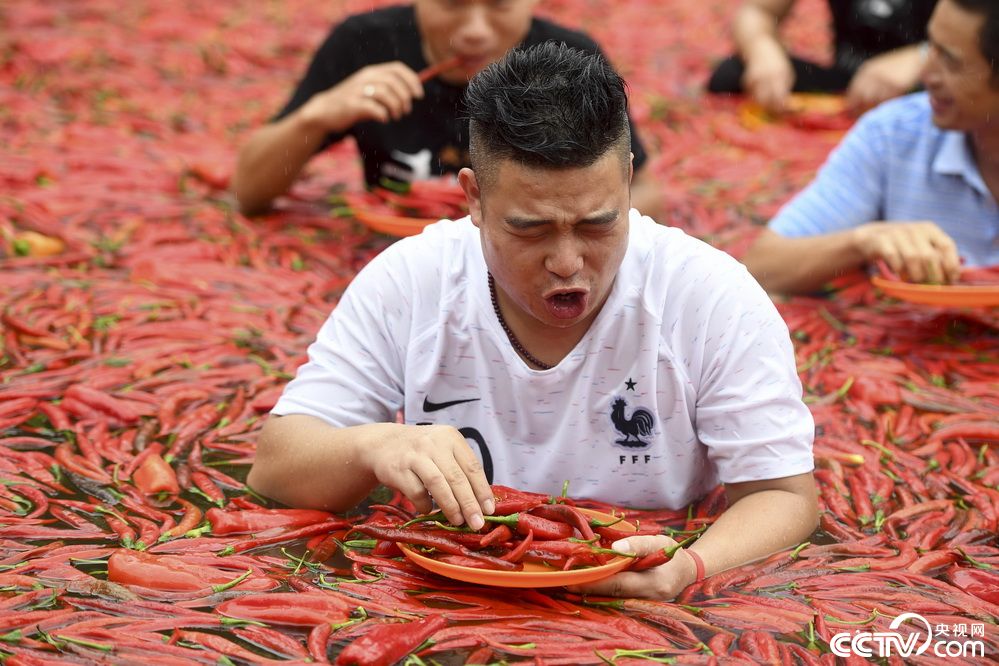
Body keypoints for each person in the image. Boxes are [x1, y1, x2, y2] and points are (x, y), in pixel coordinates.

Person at [248, 42, 817, 600]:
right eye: (530, 229)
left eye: (597, 225)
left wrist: (690, 566)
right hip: (455, 583)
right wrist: (374, 446)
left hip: (642, 585)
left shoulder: (709, 296)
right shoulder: (413, 280)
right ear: (473, 197)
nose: (567, 263)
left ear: (627, 179)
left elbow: (784, 495)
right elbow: (276, 468)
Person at [233, 0, 662, 219]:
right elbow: (250, 193)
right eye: (452, 3)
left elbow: (641, 189)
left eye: (499, 4)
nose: (475, 31)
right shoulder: (363, 45)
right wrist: (319, 113)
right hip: (389, 249)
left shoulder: (567, 60)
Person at [742, 0, 999, 295]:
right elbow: (761, 268)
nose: (925, 74)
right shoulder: (894, 134)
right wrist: (864, 241)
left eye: (951, 61)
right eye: (929, 47)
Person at [708, 0, 937, 113]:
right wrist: (762, 49)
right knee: (730, 75)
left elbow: (972, 41)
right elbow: (757, 11)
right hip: (848, 85)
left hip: (929, 87)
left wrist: (922, 55)